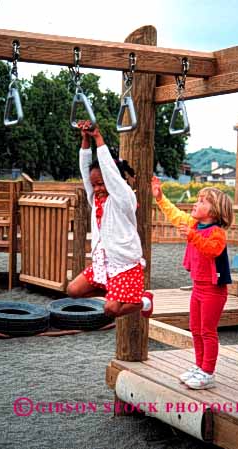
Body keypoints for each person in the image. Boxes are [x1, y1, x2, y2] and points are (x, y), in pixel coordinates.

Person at [151, 176, 233, 389]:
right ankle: (199, 367)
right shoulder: (194, 224)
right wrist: (160, 198)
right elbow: (175, 214)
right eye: (197, 199)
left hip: (213, 291)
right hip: (197, 288)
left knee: (208, 331)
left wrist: (192, 236)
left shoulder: (217, 233)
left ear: (214, 211)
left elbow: (212, 249)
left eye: (202, 201)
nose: (196, 203)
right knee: (195, 329)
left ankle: (208, 372)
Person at [67, 120, 153, 319]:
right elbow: (84, 169)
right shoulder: (95, 199)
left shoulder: (123, 199)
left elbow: (111, 174)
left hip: (124, 263)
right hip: (103, 262)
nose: (96, 189)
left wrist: (98, 138)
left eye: (101, 184)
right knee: (73, 290)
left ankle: (145, 301)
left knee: (111, 310)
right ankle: (114, 292)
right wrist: (85, 141)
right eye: (94, 185)